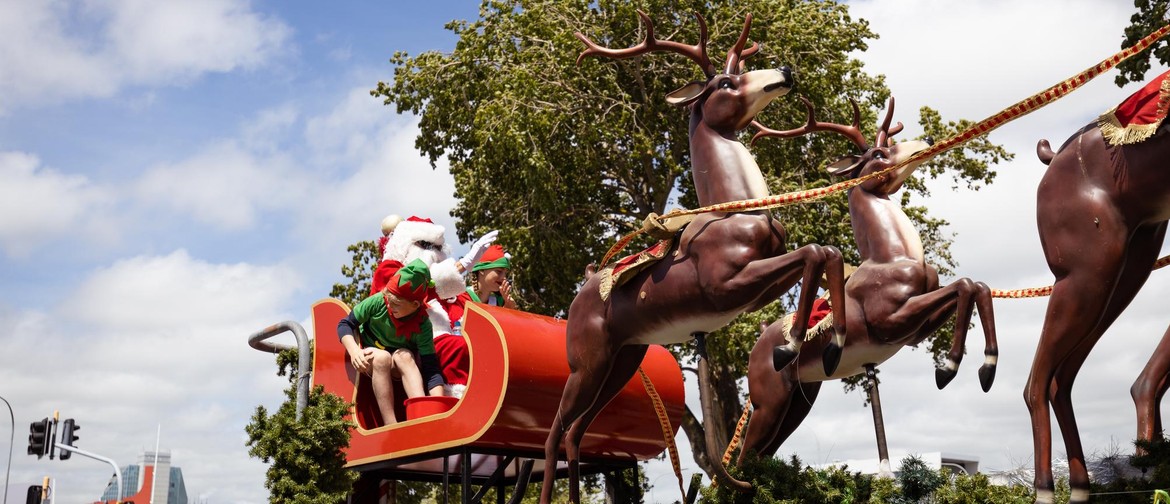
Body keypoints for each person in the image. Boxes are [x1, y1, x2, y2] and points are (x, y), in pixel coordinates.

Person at [369, 215, 497, 397]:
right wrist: (463, 265)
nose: (434, 253)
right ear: (405, 244)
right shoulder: (389, 269)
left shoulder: (447, 291)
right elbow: (410, 287)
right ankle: (457, 399)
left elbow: (455, 310)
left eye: (438, 247)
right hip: (401, 341)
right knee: (455, 346)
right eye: (425, 245)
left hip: (430, 338)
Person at [338, 258, 444, 425]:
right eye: (389, 299)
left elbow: (431, 368)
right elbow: (345, 324)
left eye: (396, 304)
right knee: (382, 358)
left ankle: (423, 415)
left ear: (415, 304)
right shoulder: (379, 301)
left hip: (397, 361)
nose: (389, 305)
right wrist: (354, 351)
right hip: (370, 355)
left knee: (405, 356)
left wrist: (439, 405)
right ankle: (390, 424)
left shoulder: (422, 324)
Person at [467, 244, 517, 309]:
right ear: (482, 270)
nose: (504, 277)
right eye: (499, 271)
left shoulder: (500, 301)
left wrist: (507, 308)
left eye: (505, 273)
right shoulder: (462, 298)